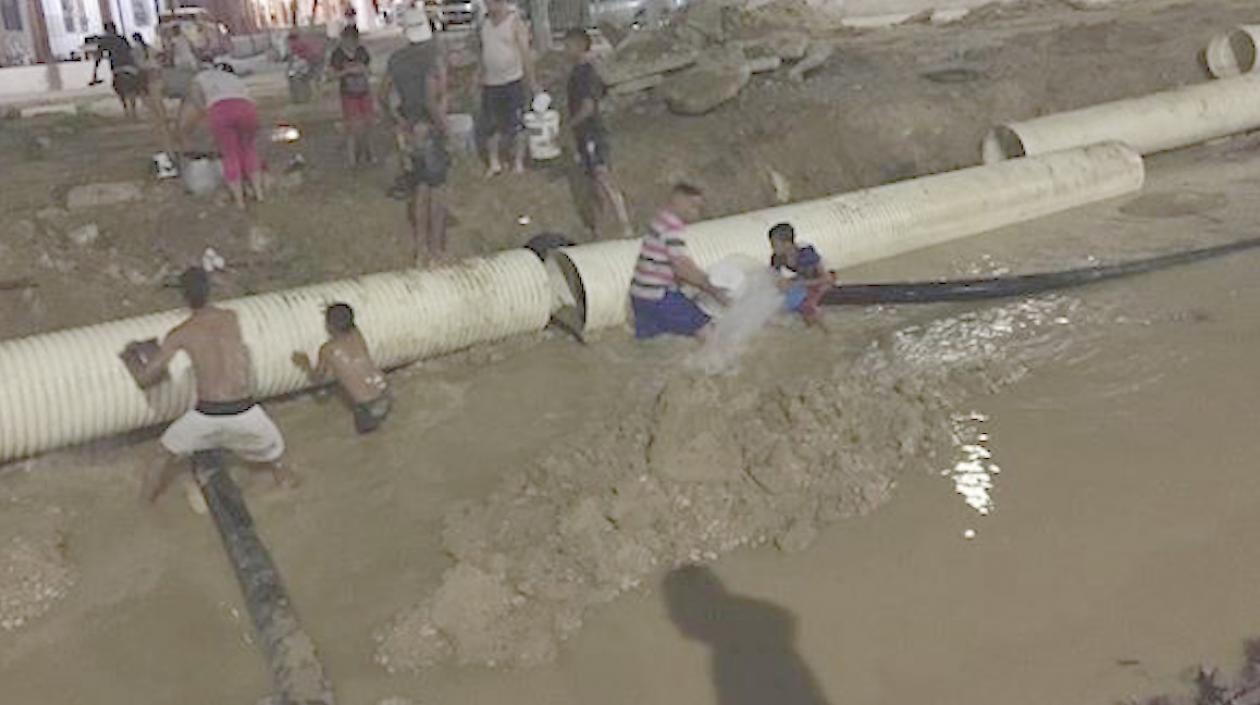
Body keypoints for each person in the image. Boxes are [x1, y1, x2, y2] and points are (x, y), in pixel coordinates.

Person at [122, 267, 296, 506]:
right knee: (277, 458)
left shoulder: (180, 333)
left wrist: (130, 356)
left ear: (183, 296)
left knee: (162, 455)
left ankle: (143, 507)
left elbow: (146, 379)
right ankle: (288, 493)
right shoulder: (231, 317)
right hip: (246, 411)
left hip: (208, 414)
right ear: (210, 290)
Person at [380, 8, 451, 266]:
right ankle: (436, 250)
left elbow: (382, 96)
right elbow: (431, 100)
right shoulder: (433, 57)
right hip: (429, 128)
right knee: (438, 191)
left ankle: (420, 248)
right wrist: (445, 128)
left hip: (409, 129)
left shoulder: (396, 59)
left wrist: (398, 121)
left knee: (419, 189)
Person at [629, 183, 730, 340]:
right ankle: (714, 364)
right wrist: (712, 289)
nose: (696, 213)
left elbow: (664, 263)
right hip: (659, 295)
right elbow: (682, 266)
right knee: (708, 331)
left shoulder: (659, 219)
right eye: (693, 206)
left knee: (650, 344)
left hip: (639, 295)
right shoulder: (673, 227)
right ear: (678, 200)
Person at [563, 28, 631, 240]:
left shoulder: (584, 74)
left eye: (567, 45)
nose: (565, 50)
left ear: (579, 46)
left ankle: (624, 224)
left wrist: (569, 125)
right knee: (594, 180)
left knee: (602, 177)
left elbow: (588, 107)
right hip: (584, 136)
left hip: (592, 133)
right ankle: (599, 229)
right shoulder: (579, 71)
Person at [291, 303, 392, 434]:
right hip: (384, 390)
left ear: (329, 326)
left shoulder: (328, 350)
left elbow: (317, 378)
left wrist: (304, 364)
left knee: (367, 441)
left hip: (367, 406)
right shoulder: (357, 334)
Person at [179, 64, 264, 209]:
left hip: (220, 109)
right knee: (249, 149)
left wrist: (205, 112)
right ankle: (259, 193)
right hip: (247, 108)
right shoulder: (233, 78)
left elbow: (195, 98)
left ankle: (239, 201)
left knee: (230, 154)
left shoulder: (200, 77)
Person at [475, 0, 535, 176]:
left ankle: (518, 162)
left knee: (517, 124)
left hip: (512, 81)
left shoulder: (515, 22)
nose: (489, 4)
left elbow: (525, 53)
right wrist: (477, 76)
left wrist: (531, 81)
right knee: (491, 125)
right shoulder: (484, 24)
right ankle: (494, 163)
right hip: (490, 83)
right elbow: (482, 52)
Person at [768, 222, 835, 328]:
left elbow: (826, 278)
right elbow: (774, 277)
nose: (773, 249)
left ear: (787, 244)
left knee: (809, 306)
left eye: (775, 245)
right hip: (804, 281)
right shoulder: (777, 258)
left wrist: (795, 283)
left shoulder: (806, 254)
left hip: (821, 280)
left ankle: (827, 331)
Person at [131, 32, 177, 176]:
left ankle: (167, 151)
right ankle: (162, 120)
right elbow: (160, 56)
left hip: (147, 75)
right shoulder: (149, 47)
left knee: (156, 114)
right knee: (158, 108)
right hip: (155, 72)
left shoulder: (135, 50)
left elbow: (137, 64)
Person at [329, 25, 375, 165]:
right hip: (348, 94)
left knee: (367, 124)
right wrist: (347, 72)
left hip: (364, 92)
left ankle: (368, 152)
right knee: (353, 126)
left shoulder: (362, 52)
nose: (349, 42)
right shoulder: (337, 54)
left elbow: (369, 70)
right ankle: (353, 157)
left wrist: (361, 70)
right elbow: (332, 74)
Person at [89, 22, 142, 119]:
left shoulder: (104, 41)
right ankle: (133, 110)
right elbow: (131, 53)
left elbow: (98, 57)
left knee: (117, 87)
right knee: (133, 88)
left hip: (117, 68)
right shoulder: (122, 38)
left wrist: (94, 74)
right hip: (130, 66)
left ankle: (126, 109)